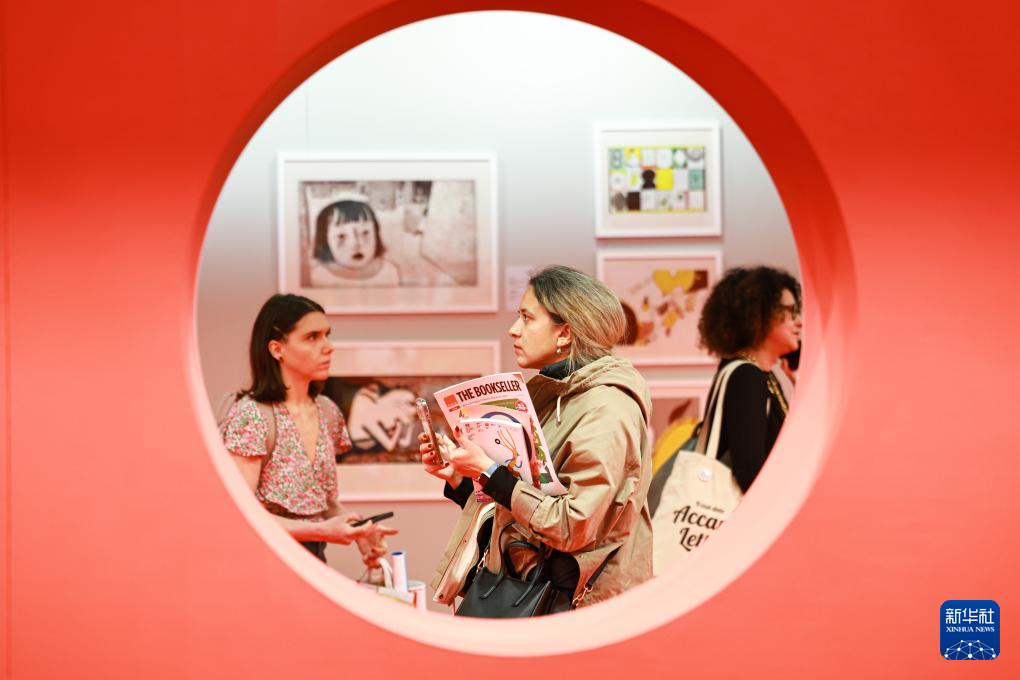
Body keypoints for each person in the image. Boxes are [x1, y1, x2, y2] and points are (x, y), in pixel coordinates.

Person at [421, 265, 653, 610]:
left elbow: (571, 525)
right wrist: (461, 477)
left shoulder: (607, 409)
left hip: (577, 610)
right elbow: (525, 507)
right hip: (533, 595)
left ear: (565, 333)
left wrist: (489, 472)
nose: (514, 330)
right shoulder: (558, 396)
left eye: (527, 318)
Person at [219, 294, 397, 564]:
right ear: (277, 349)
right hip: (263, 562)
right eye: (312, 337)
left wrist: (359, 530)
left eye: (327, 335)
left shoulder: (327, 411)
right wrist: (320, 531)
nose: (328, 347)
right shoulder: (251, 415)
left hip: (312, 561)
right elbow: (240, 513)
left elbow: (322, 501)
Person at [696, 266, 802, 492]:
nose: (799, 322)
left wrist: (799, 385)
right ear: (758, 315)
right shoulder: (747, 377)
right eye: (790, 311)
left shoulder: (762, 376)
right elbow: (751, 474)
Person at [309, 195, 400, 287]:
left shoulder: (389, 272)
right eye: (341, 236)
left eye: (365, 232)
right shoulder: (318, 276)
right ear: (325, 240)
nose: (356, 243)